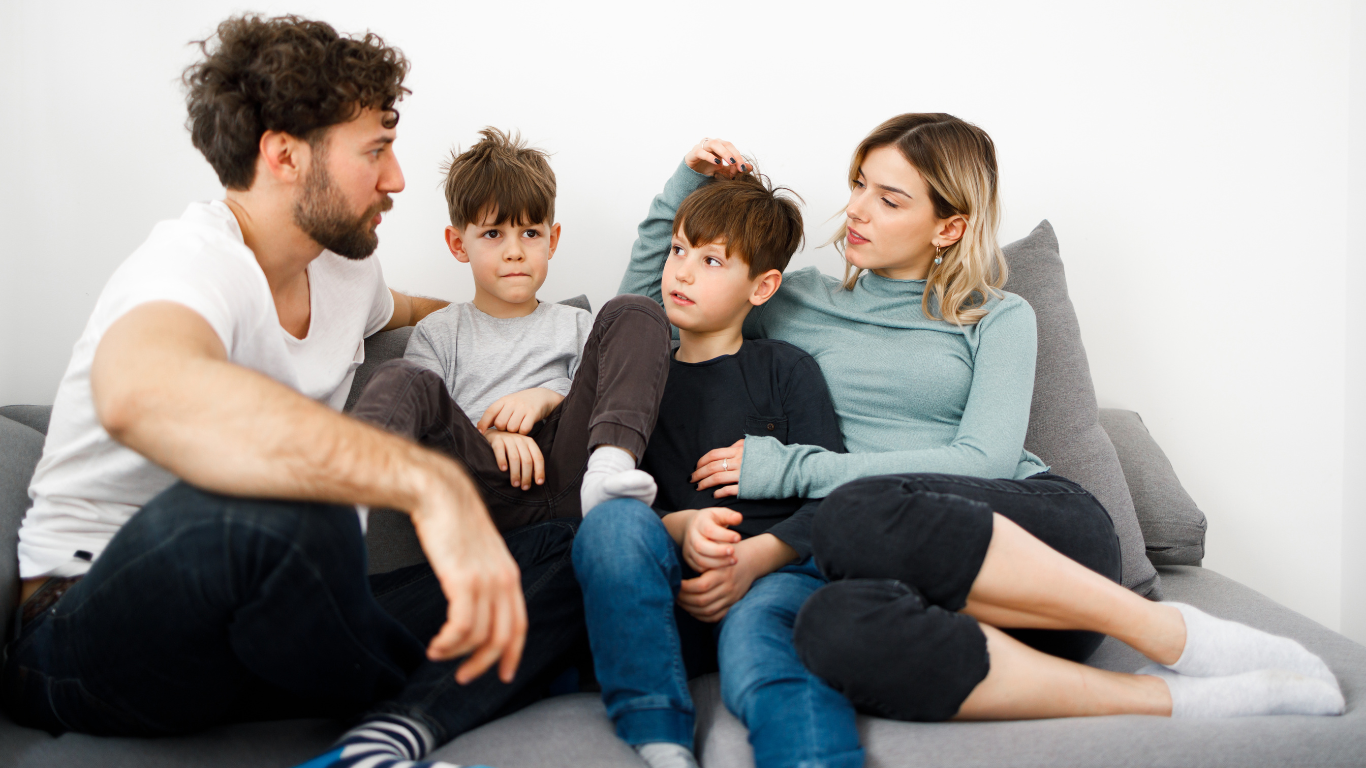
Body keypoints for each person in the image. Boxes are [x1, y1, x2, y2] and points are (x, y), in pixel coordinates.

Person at [619, 118, 1344, 740]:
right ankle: (1177, 700)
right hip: (911, 580)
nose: (858, 211)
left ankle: (1175, 635)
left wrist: (796, 468)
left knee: (852, 514)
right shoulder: (795, 300)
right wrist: (683, 188)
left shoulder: (998, 315)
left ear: (950, 225)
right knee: (827, 630)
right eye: (860, 184)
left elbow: (987, 456)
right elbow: (641, 326)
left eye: (889, 197)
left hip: (1040, 539)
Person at [2, 16, 569, 768]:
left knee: (568, 548)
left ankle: (389, 735)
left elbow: (414, 309)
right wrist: (430, 482)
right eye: (376, 150)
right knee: (292, 504)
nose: (398, 178)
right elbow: (139, 389)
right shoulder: (189, 262)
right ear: (284, 155)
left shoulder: (344, 272)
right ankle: (419, 682)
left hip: (267, 634)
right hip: (90, 625)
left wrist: (527, 336)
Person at [575, 171, 860, 768]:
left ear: (762, 287)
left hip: (772, 579)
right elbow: (617, 494)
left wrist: (758, 558)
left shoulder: (786, 370)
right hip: (672, 587)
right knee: (603, 536)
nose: (681, 271)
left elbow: (831, 495)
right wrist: (678, 526)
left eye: (711, 261)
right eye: (679, 250)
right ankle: (663, 742)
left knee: (766, 651)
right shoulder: (642, 381)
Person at [345, 127, 670, 533]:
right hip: (486, 487)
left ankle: (610, 473)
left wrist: (546, 397)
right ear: (459, 244)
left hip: (575, 472)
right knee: (401, 377)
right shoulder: (440, 332)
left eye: (530, 233)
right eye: (493, 234)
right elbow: (433, 424)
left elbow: (607, 393)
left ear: (552, 241)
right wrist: (492, 437)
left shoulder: (577, 324)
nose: (515, 250)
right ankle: (348, 507)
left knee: (637, 311)